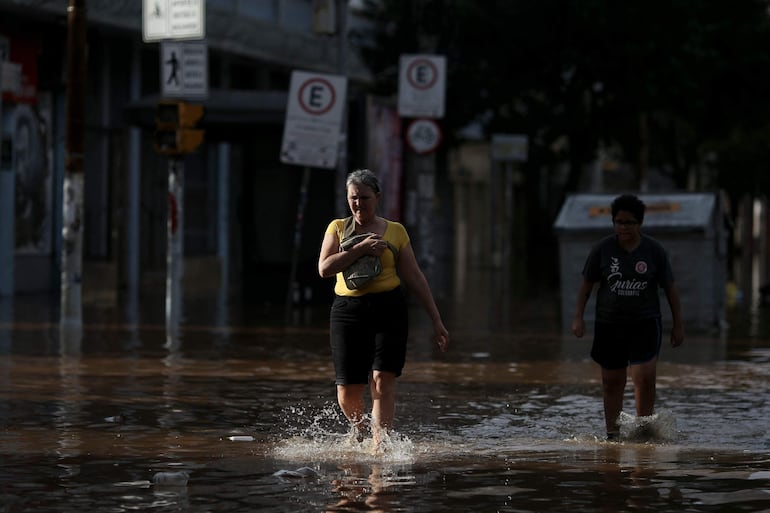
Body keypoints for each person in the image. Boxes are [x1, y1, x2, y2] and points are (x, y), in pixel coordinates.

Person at [318, 168, 449, 448]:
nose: (358, 204)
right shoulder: (337, 228)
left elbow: (414, 277)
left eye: (364, 198)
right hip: (347, 311)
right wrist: (359, 249)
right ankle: (361, 429)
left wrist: (436, 320)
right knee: (347, 391)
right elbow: (324, 268)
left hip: (388, 309)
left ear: (377, 198)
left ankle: (380, 445)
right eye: (353, 198)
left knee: (381, 379)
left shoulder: (396, 231)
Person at [571, 194, 685, 441]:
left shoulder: (653, 251)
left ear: (639, 224)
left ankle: (643, 431)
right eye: (619, 222)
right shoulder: (602, 250)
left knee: (644, 378)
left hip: (645, 323)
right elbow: (586, 285)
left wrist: (678, 324)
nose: (623, 228)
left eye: (629, 223)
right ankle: (613, 434)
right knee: (612, 381)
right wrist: (578, 317)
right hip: (609, 324)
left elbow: (671, 289)